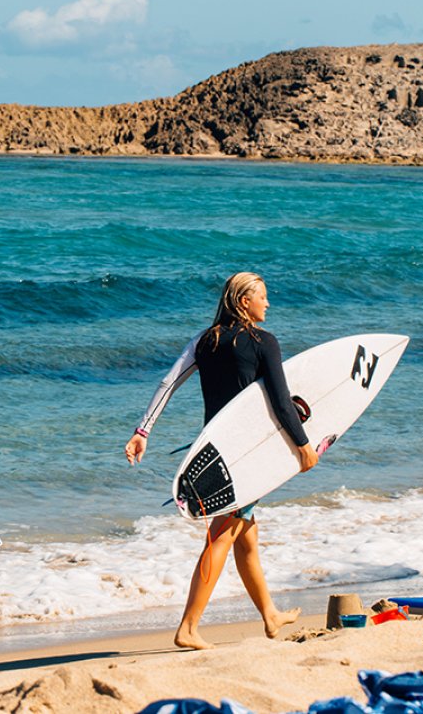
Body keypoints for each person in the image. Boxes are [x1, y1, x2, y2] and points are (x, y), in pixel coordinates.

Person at [125, 272, 319, 650]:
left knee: (246, 533)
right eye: (262, 296)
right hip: (247, 456)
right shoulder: (264, 343)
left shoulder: (204, 341)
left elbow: (168, 384)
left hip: (213, 451)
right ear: (244, 301)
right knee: (222, 534)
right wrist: (303, 444)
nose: (268, 303)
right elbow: (282, 402)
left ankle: (269, 614)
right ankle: (189, 627)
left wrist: (142, 432)